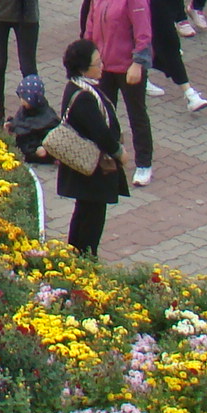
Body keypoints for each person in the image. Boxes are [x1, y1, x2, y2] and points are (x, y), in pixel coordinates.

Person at [84, 0, 156, 186]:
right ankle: (109, 156)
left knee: (137, 115)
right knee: (104, 114)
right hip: (103, 67)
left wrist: (138, 64)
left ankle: (144, 163)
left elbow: (143, 34)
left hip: (127, 68)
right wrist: (88, 56)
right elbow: (91, 24)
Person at [52, 39, 130, 258]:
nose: (102, 66)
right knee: (91, 218)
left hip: (87, 169)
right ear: (82, 69)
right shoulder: (84, 97)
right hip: (92, 169)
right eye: (97, 63)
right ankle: (85, 258)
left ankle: (77, 256)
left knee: (84, 212)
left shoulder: (81, 87)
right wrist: (118, 152)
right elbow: (100, 132)